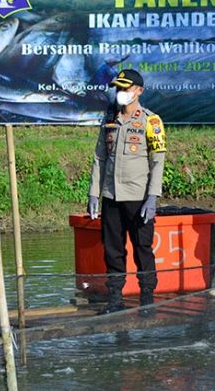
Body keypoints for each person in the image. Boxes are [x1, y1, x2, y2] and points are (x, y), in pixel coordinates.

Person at [87, 69, 166, 316]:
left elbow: (158, 161)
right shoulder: (110, 119)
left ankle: (147, 300)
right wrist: (94, 194)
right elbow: (100, 157)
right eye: (119, 88)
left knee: (143, 249)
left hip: (139, 197)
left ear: (139, 91)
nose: (121, 93)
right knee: (113, 250)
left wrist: (152, 197)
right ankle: (115, 300)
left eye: (126, 88)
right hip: (112, 196)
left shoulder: (151, 121)